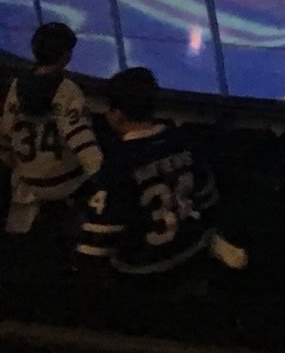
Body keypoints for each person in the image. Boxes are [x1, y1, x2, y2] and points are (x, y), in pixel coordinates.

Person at [76, 68, 246, 282]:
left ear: (116, 115)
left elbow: (97, 243)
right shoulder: (185, 143)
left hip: (144, 270)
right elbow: (208, 197)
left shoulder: (118, 165)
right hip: (192, 256)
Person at [4, 22, 102, 236]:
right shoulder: (67, 89)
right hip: (65, 181)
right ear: (65, 55)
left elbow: (6, 132)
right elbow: (80, 137)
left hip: (28, 179)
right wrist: (102, 176)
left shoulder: (16, 85)